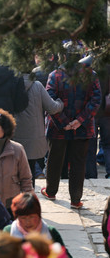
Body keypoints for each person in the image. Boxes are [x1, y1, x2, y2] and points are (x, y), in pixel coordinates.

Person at [41, 46, 102, 209]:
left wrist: (63, 122)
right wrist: (79, 121)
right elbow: (96, 100)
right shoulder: (91, 75)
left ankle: (51, 191)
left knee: (54, 161)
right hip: (83, 127)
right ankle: (76, 199)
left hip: (57, 128)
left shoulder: (55, 75)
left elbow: (50, 101)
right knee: (78, 163)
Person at [12, 73, 64, 186]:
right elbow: (52, 108)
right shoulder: (37, 85)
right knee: (29, 172)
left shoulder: (10, 84)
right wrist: (61, 103)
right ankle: (30, 200)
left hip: (13, 134)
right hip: (33, 136)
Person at [4, 192, 72, 258]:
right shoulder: (9, 232)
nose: (28, 221)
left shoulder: (50, 232)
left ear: (39, 215)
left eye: (32, 217)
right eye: (23, 218)